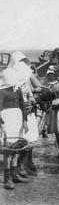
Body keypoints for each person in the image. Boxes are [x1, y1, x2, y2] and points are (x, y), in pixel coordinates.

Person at [0, 53, 33, 189]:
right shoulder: (2, 92)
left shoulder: (17, 90)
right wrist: (1, 125)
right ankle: (7, 178)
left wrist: (24, 121)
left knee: (17, 147)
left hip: (17, 118)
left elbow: (22, 105)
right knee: (8, 148)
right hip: (7, 119)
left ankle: (14, 174)